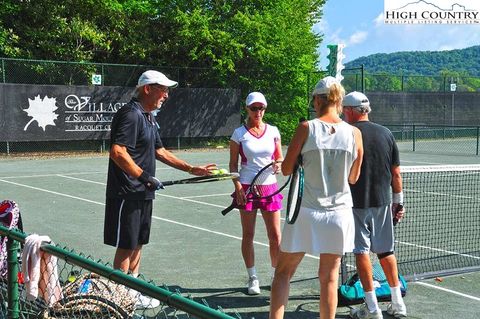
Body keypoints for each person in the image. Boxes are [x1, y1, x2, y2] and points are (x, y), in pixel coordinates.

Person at [104, 70, 216, 307]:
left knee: (139, 242)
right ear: (147, 89)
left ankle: (132, 292)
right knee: (126, 244)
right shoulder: (130, 114)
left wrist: (191, 168)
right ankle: (119, 299)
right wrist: (144, 176)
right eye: (163, 89)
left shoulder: (148, 117)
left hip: (142, 190)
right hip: (128, 191)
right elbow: (118, 152)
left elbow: (160, 151)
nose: (166, 95)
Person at [269, 76, 363, 319]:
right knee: (329, 279)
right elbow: (353, 177)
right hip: (339, 215)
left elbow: (286, 169)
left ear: (319, 99)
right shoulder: (354, 133)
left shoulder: (306, 128)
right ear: (339, 100)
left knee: (282, 274)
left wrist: (300, 160)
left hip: (306, 212)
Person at [342, 91, 407, 319]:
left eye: (343, 110)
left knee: (361, 251)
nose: (342, 113)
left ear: (349, 110)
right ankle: (398, 305)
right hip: (383, 203)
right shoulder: (386, 133)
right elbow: (396, 174)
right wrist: (398, 202)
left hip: (355, 204)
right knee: (386, 251)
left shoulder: (347, 133)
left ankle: (372, 308)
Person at [229, 92, 283, 295]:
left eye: (260, 108)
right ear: (247, 109)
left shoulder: (274, 131)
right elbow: (233, 164)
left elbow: (278, 157)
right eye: (253, 108)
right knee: (248, 235)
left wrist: (278, 164)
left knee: (275, 236)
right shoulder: (238, 134)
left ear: (265, 109)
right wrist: (238, 187)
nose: (257, 112)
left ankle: (276, 274)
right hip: (246, 188)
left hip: (270, 188)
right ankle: (253, 278)